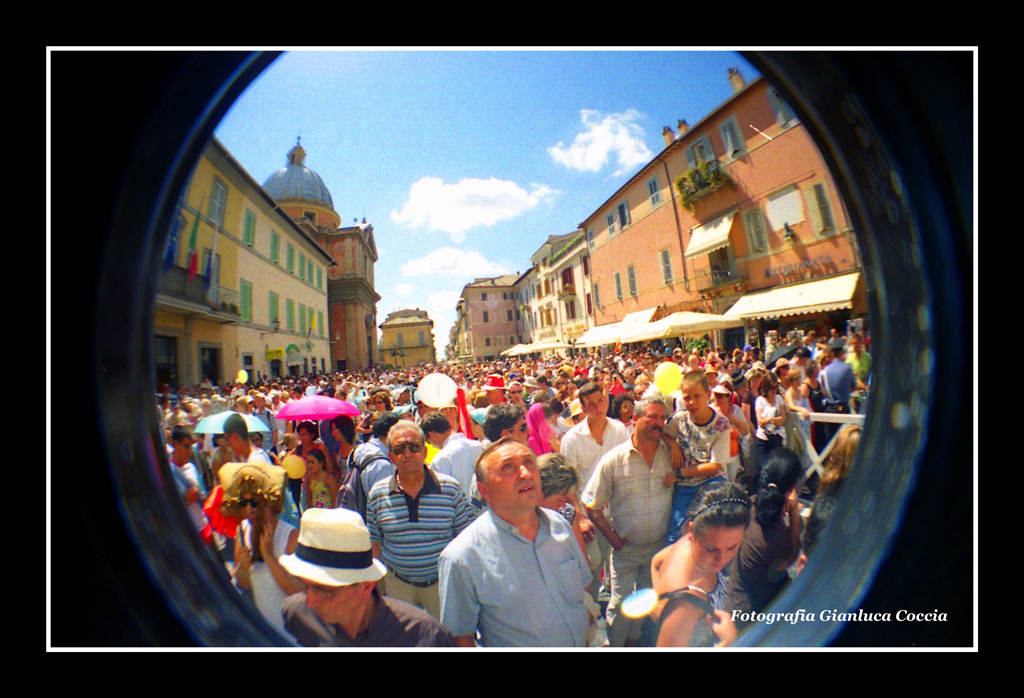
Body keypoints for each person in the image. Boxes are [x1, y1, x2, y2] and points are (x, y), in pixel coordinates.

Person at [438, 437, 591, 647]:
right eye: (508, 468)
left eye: (529, 463)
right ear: (485, 491)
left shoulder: (560, 524)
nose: (525, 474)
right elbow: (460, 637)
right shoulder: (462, 556)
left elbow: (580, 595)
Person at [279, 508, 457, 647]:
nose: (310, 602)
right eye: (306, 586)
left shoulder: (426, 637)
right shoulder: (296, 615)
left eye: (324, 591)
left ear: (366, 586)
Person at [582, 396, 675, 647]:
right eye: (652, 417)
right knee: (621, 603)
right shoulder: (614, 459)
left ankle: (634, 642)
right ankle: (616, 644)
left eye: (662, 418)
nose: (659, 423)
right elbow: (591, 504)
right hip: (625, 549)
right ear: (634, 420)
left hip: (658, 548)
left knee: (646, 599)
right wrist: (612, 537)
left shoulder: (671, 455)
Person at [364, 421, 470, 618]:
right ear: (390, 457)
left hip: (442, 585)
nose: (407, 454)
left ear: (424, 451)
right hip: (398, 586)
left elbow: (465, 540)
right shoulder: (378, 493)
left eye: (413, 447)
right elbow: (375, 544)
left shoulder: (450, 489)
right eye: (399, 449)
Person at [650, 481, 751, 647]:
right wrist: (728, 643)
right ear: (692, 531)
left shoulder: (686, 543)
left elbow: (656, 561)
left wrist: (658, 606)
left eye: (732, 547)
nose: (722, 559)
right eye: (711, 549)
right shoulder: (685, 606)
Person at [559, 382, 629, 605]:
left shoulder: (619, 430)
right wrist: (579, 517)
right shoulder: (572, 438)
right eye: (591, 404)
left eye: (601, 401)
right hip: (587, 512)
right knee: (593, 563)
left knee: (619, 560)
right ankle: (588, 610)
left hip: (617, 508)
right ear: (583, 408)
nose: (598, 407)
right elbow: (567, 482)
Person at [219, 461, 303, 637]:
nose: (249, 510)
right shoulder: (241, 530)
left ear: (267, 502)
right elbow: (245, 584)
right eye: (244, 502)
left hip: (291, 636)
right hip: (262, 633)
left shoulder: (290, 536)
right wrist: (242, 569)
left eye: (255, 503)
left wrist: (269, 556)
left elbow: (298, 592)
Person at [724, 447, 803, 629]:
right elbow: (791, 556)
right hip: (755, 620)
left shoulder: (749, 504)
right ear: (792, 488)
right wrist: (795, 511)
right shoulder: (777, 538)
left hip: (736, 604)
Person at [662, 371, 731, 545]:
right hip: (687, 485)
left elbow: (715, 466)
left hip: (711, 481)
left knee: (717, 529)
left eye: (697, 396)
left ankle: (719, 570)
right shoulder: (680, 419)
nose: (691, 402)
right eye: (687, 398)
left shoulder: (721, 424)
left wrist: (679, 473)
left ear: (708, 395)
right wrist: (673, 445)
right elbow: (664, 434)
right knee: (675, 531)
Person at [424, 410, 484, 504]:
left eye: (429, 441)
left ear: (432, 435)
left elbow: (441, 496)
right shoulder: (479, 446)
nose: (432, 445)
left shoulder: (440, 460)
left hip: (460, 512)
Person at [168, 424, 208, 536]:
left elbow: (203, 496)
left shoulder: (192, 467)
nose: (190, 451)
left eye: (191, 447)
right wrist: (185, 500)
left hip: (204, 526)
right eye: (186, 446)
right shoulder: (167, 472)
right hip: (187, 533)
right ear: (175, 444)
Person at [753, 371, 786, 480]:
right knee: (764, 470)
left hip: (776, 439)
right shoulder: (760, 400)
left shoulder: (779, 399)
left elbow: (783, 419)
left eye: (776, 387)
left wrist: (770, 419)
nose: (774, 390)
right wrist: (774, 420)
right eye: (772, 388)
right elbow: (760, 422)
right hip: (763, 440)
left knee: (776, 471)